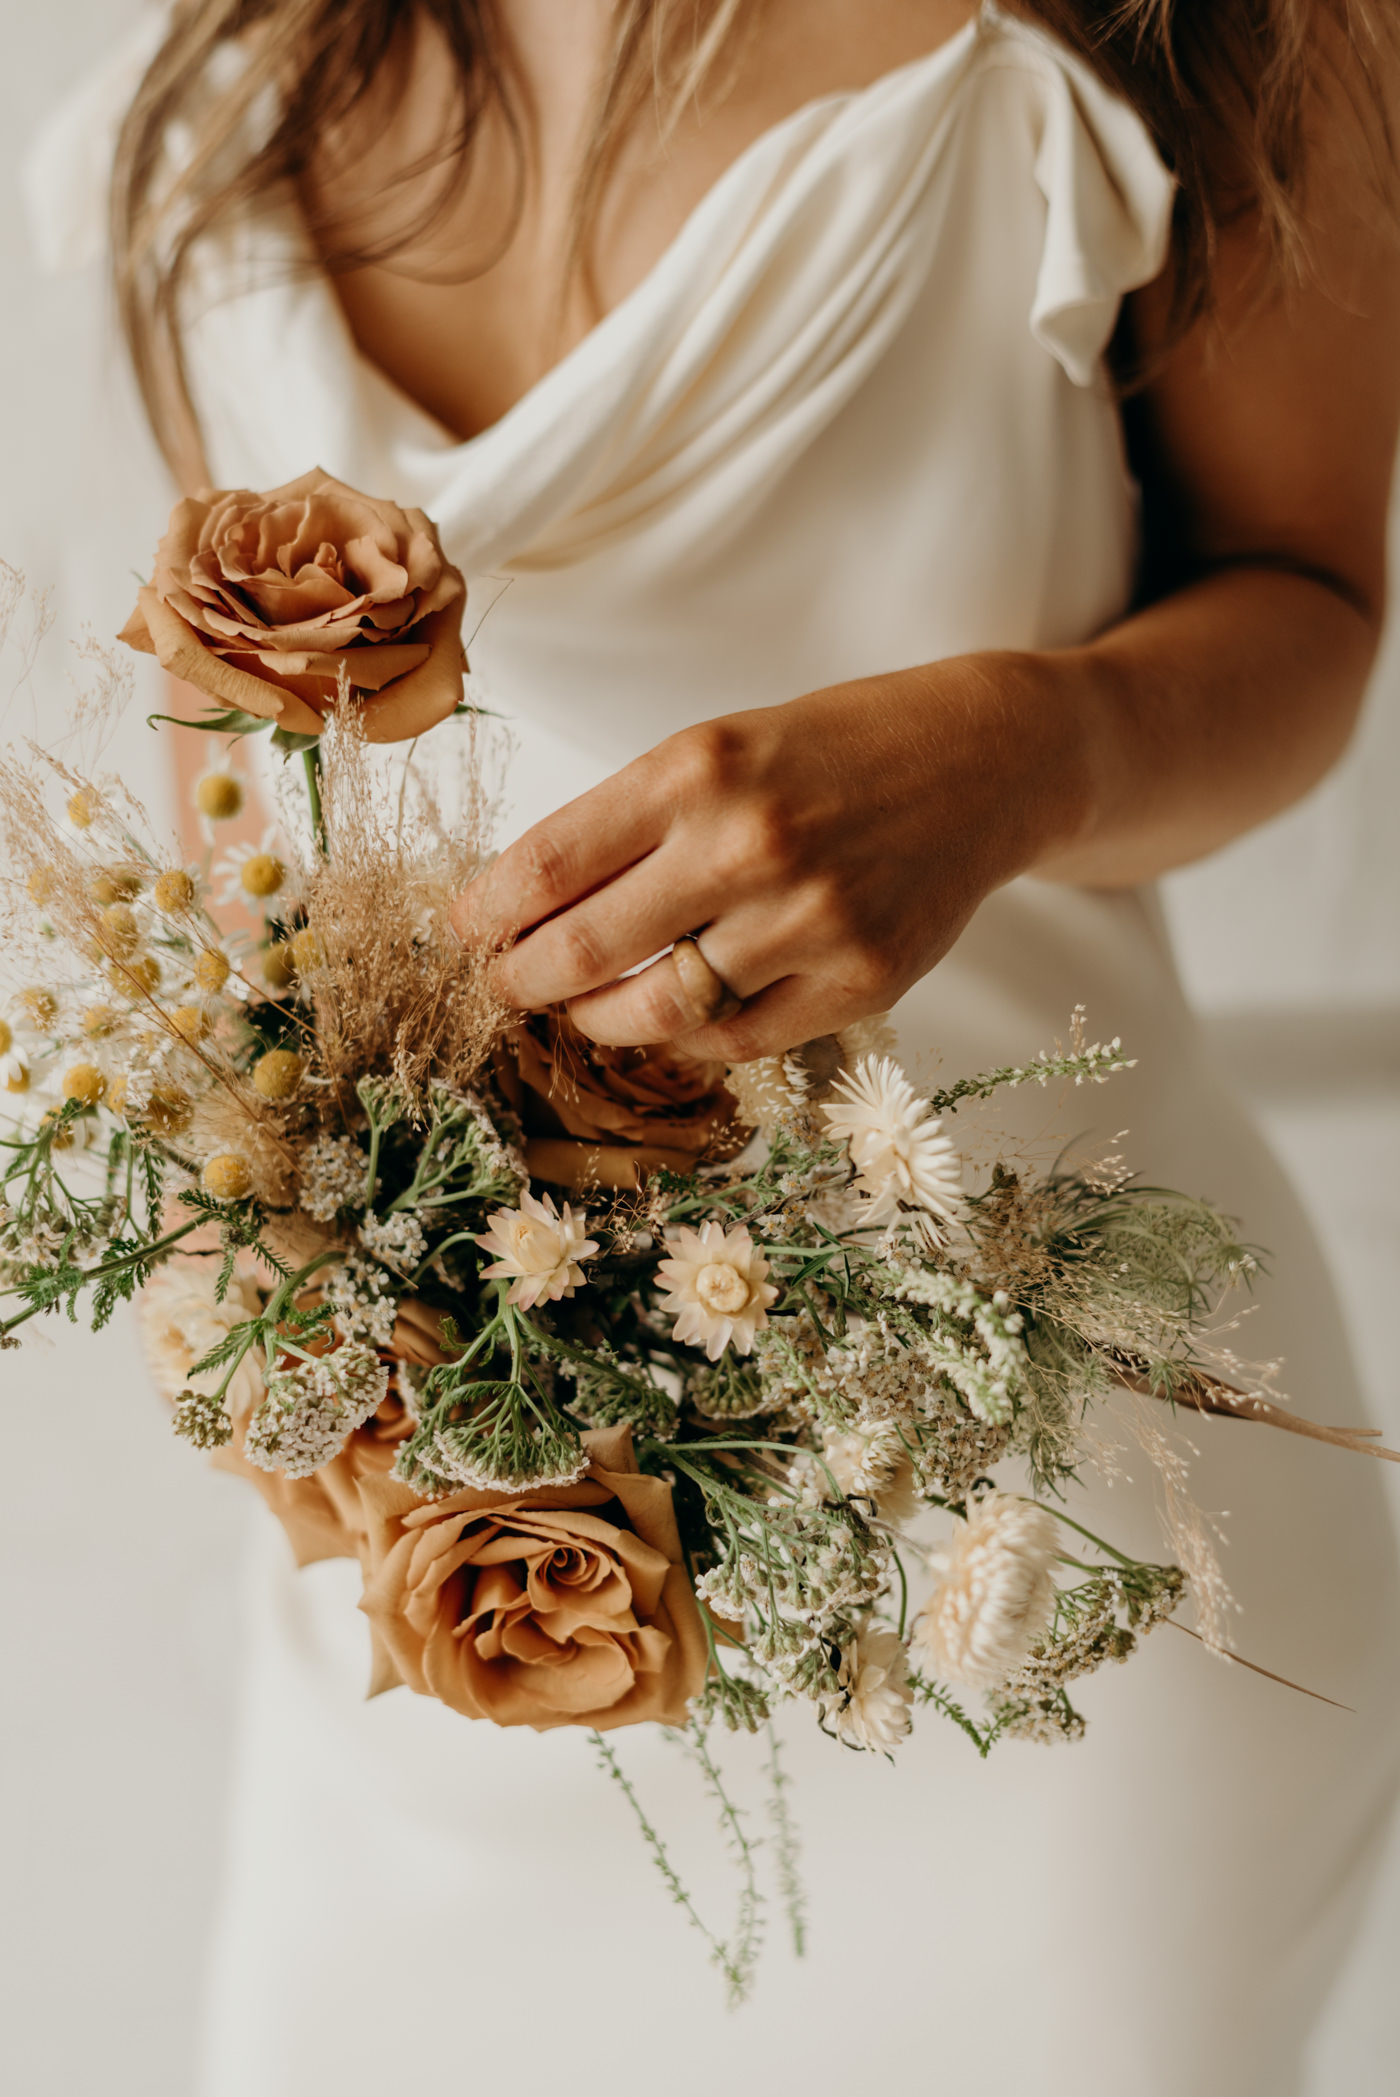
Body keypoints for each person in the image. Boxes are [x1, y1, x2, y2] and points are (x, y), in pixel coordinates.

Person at [53, 0, 1400, 2089]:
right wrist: (278, 1273)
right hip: (463, 1577)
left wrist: (1026, 751)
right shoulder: (246, 67)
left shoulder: (1222, 25)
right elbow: (237, 840)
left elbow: (1308, 595)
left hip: (1054, 1549)